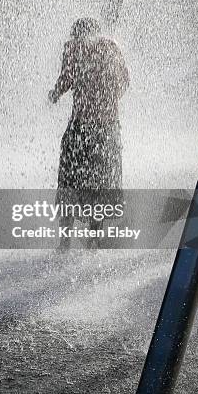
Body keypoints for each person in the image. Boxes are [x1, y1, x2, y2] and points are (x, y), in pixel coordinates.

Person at [49, 17, 130, 250]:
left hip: (81, 128)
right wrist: (107, 102)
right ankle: (94, 238)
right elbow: (125, 81)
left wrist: (54, 95)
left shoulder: (75, 48)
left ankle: (65, 241)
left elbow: (66, 79)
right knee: (101, 182)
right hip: (108, 130)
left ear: (77, 34)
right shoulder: (112, 48)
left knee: (70, 181)